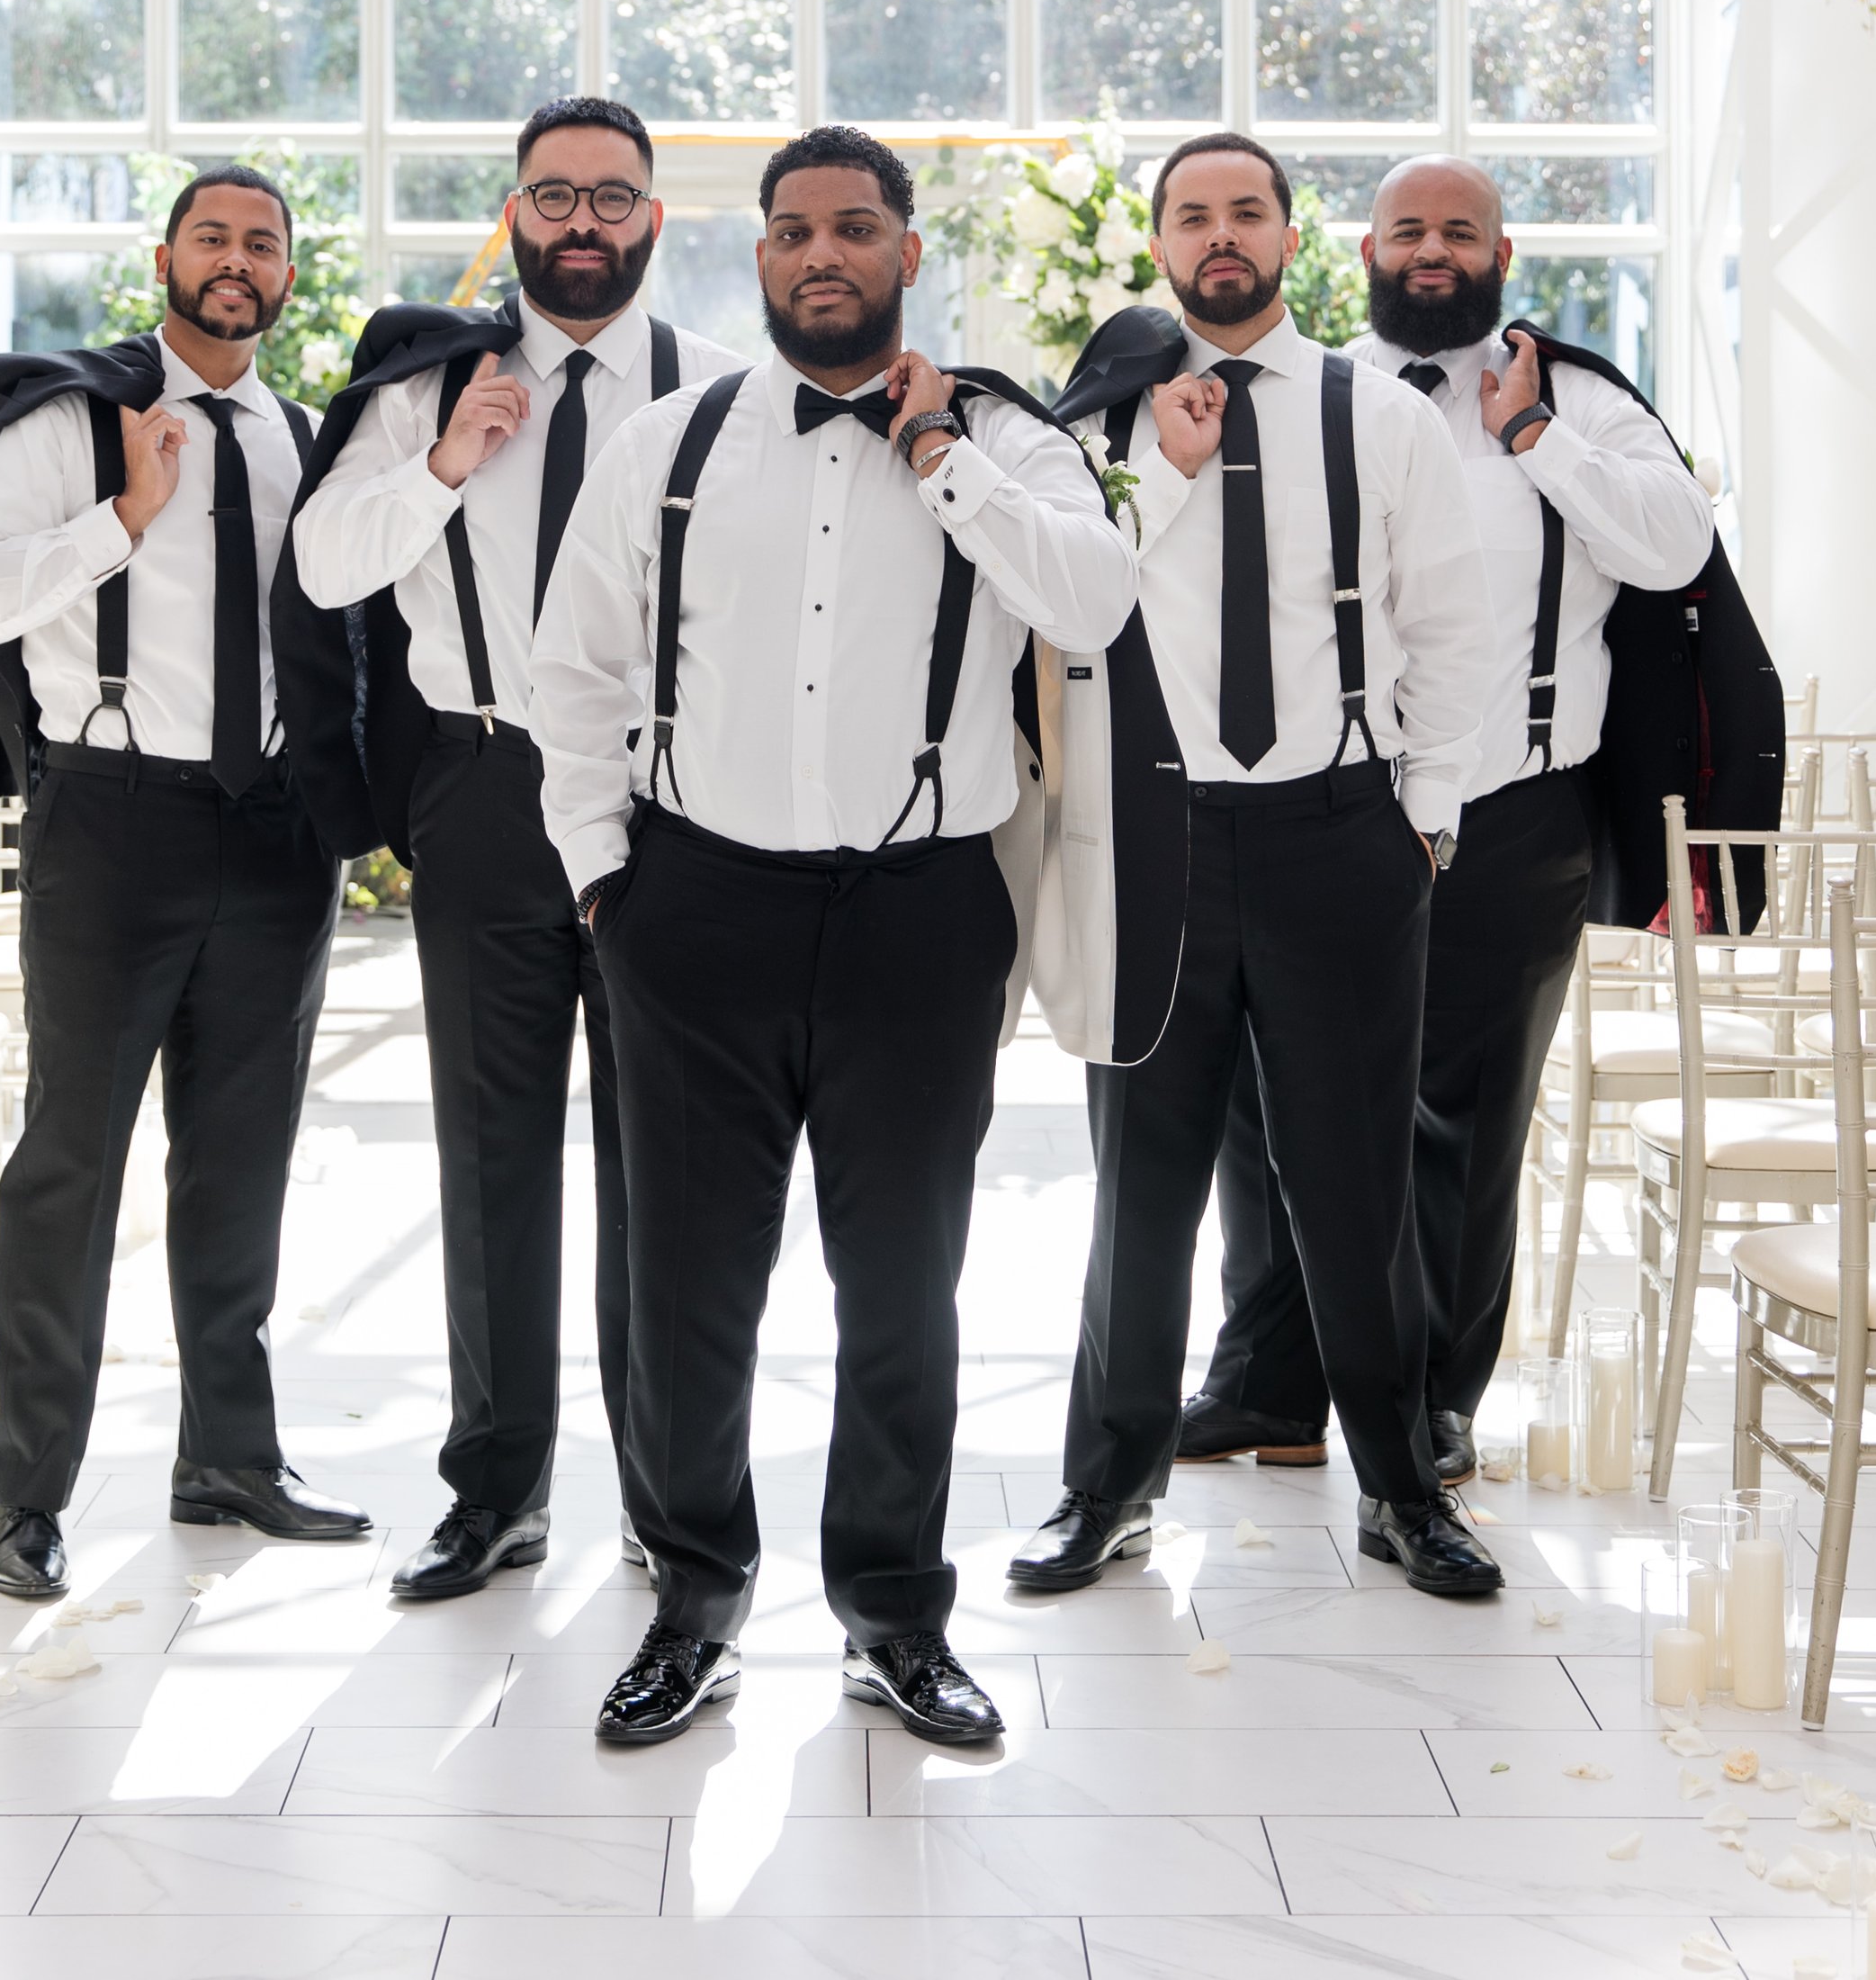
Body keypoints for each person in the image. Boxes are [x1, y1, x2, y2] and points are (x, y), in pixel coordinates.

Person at [532, 125, 1137, 1748]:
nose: (821, 254)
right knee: (684, 1289)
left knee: (903, 1286)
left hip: (920, 920)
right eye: (793, 230)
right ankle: (694, 1598)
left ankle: (891, 1611)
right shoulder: (668, 441)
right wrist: (605, 881)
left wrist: (943, 458)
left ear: (907, 251)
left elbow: (1093, 603)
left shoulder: (1011, 443)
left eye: (854, 228)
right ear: (758, 256)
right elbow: (576, 672)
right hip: (692, 909)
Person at [1010, 130, 1503, 1606]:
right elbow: (1071, 602)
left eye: (1245, 211)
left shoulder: (1380, 415)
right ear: (1156, 242)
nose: (1219, 236)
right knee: (1140, 1182)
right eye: (1190, 215)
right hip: (1152, 836)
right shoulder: (1102, 417)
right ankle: (1108, 1489)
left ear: (1295, 235)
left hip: (1339, 830)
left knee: (1353, 1183)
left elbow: (1456, 627)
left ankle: (1406, 1487)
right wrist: (1154, 465)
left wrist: (1426, 816)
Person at [1181, 157, 1713, 1484]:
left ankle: (1428, 1397)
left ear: (1502, 249)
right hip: (1334, 808)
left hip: (1516, 809)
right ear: (1360, 248)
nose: (1432, 250)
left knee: (1461, 1124)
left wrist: (1537, 436)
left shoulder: (1580, 395)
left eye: (1457, 231)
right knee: (1273, 1105)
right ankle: (1272, 1384)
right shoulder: (1318, 392)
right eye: (1408, 229)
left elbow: (1675, 546)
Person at [285, 99, 744, 1604]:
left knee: (661, 1163)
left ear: (656, 221)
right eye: (555, 197)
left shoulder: (718, 392)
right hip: (482, 793)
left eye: (614, 197)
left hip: (660, 807)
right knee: (490, 1155)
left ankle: (666, 1497)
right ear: (515, 214)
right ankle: (496, 1493)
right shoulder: (429, 387)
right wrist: (440, 468)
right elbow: (321, 561)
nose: (584, 224)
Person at [0, 164, 379, 1602]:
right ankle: (28, 1496)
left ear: (287, 280)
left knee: (239, 1156)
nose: (238, 261)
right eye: (214, 237)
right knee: (71, 1163)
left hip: (271, 836)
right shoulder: (73, 419)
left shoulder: (305, 440)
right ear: (165, 258)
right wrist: (122, 517)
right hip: (111, 823)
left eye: (264, 244)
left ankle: (228, 1456)